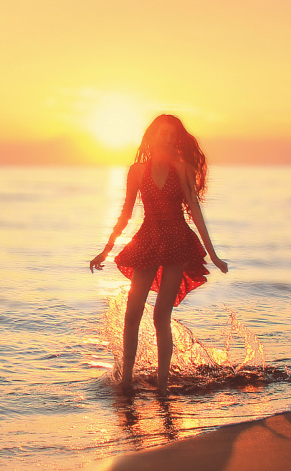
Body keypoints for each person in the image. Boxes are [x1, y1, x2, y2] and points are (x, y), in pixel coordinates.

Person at [89, 114, 228, 395]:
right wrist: (106, 249)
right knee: (132, 312)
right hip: (148, 239)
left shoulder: (182, 169)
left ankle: (163, 386)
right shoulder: (137, 171)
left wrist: (213, 255)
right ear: (152, 136)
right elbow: (126, 213)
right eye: (162, 132)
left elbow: (195, 211)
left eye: (172, 134)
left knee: (161, 315)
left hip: (176, 240)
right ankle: (126, 381)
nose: (167, 138)